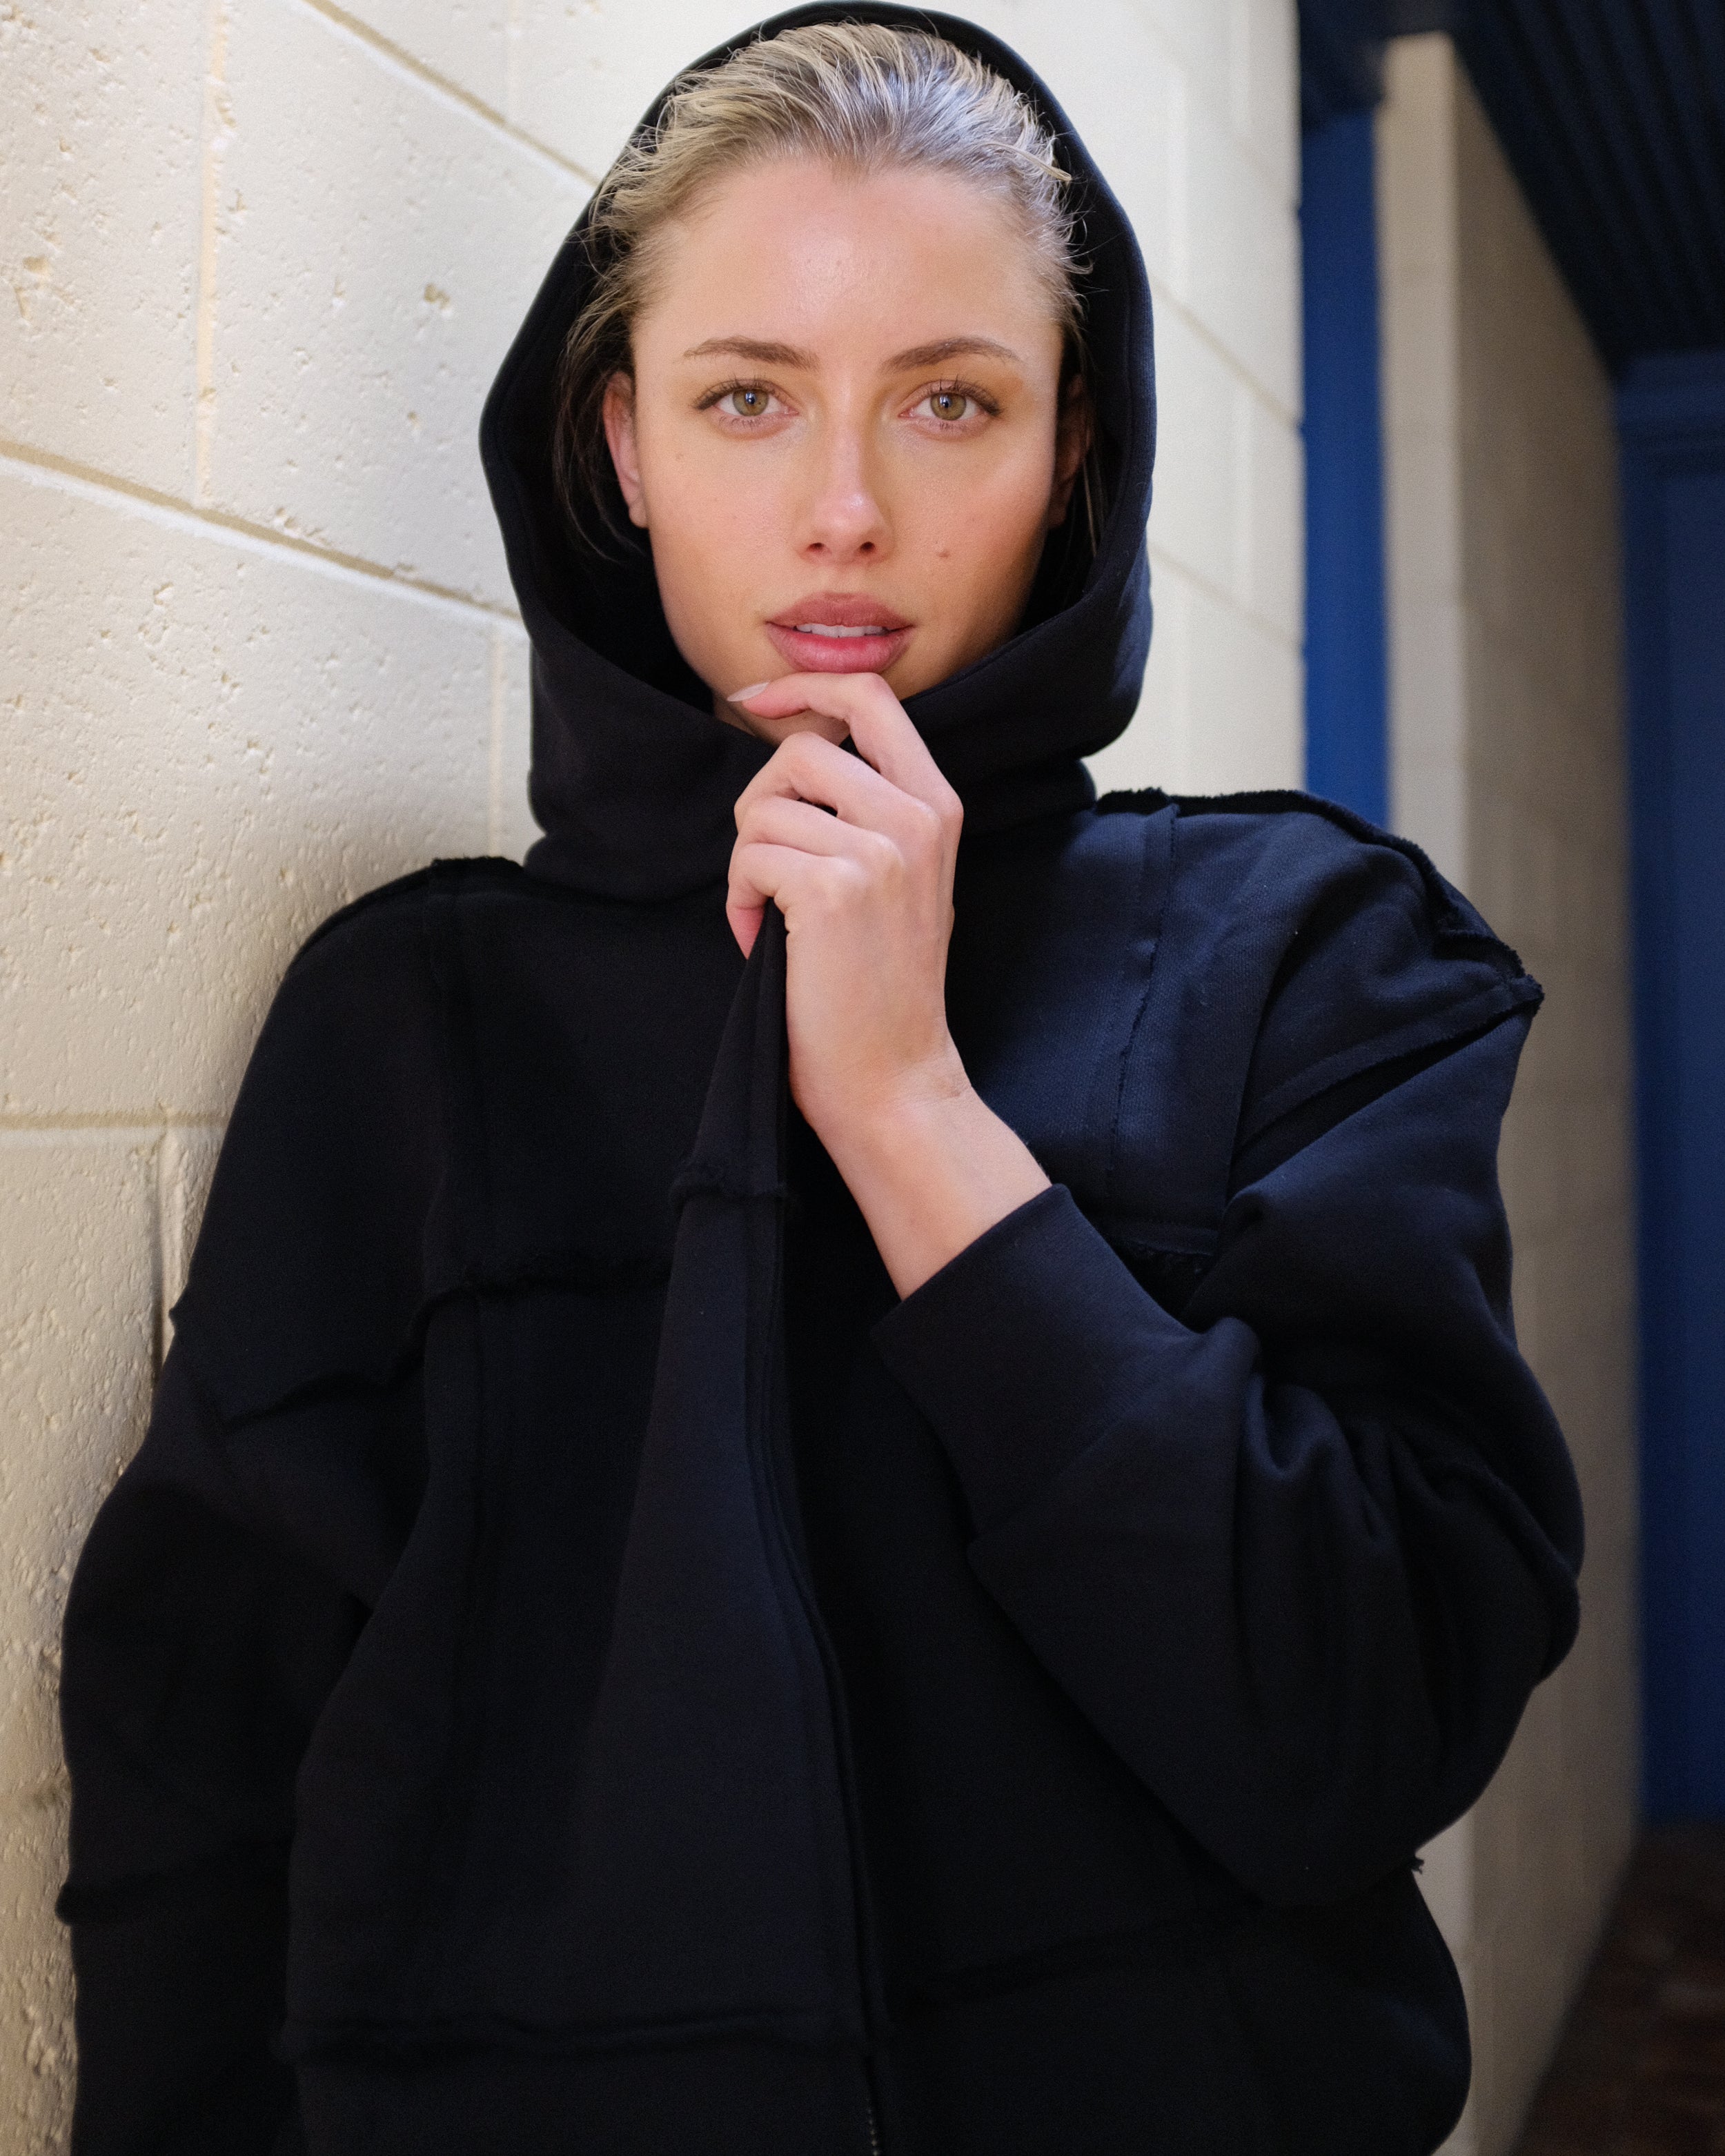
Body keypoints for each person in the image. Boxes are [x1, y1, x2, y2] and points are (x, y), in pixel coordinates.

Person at [57, 10, 1584, 2153]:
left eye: (950, 402)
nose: (846, 511)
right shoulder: (408, 1021)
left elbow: (1358, 1725)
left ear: (1072, 452)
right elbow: (193, 1785)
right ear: (620, 449)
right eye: (748, 397)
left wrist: (908, 1114)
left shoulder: (1302, 959)